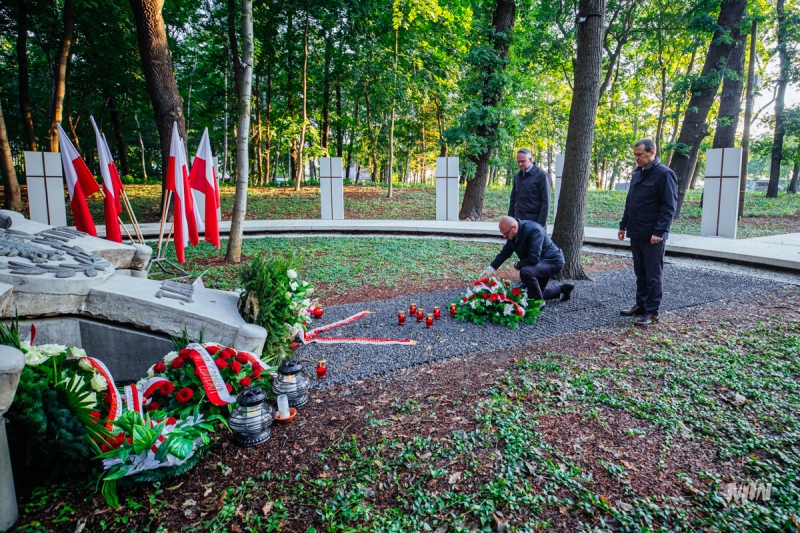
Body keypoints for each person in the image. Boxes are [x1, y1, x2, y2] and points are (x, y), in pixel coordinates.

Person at [618, 138, 678, 326]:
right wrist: (623, 225)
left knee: (653, 275)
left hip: (653, 235)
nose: (636, 158)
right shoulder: (637, 174)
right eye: (635, 155)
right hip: (636, 231)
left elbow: (669, 207)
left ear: (652, 153)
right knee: (640, 273)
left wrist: (659, 231)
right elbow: (630, 202)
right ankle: (641, 305)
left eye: (639, 154)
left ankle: (652, 312)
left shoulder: (665, 174)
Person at [479, 216, 574, 306]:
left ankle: (539, 303)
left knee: (526, 271)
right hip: (540, 263)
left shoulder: (534, 230)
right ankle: (563, 289)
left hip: (553, 261)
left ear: (514, 227)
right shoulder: (513, 234)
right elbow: (504, 253)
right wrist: (490, 269)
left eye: (506, 233)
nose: (504, 236)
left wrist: (517, 266)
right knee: (530, 294)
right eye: (503, 234)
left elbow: (534, 258)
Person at [508, 149, 551, 229]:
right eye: (518, 162)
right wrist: (510, 219)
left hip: (534, 222)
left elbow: (546, 202)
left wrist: (541, 224)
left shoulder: (542, 175)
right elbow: (513, 199)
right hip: (518, 221)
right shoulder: (517, 176)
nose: (520, 164)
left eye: (522, 161)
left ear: (530, 159)